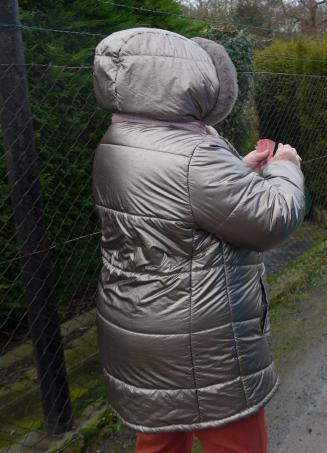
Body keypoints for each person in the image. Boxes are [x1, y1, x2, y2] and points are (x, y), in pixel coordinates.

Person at [91, 28, 306, 452]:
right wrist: (285, 167)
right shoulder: (193, 152)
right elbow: (272, 219)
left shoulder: (120, 140)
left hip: (141, 324)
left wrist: (237, 172)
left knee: (160, 436)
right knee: (235, 441)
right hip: (202, 339)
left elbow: (178, 206)